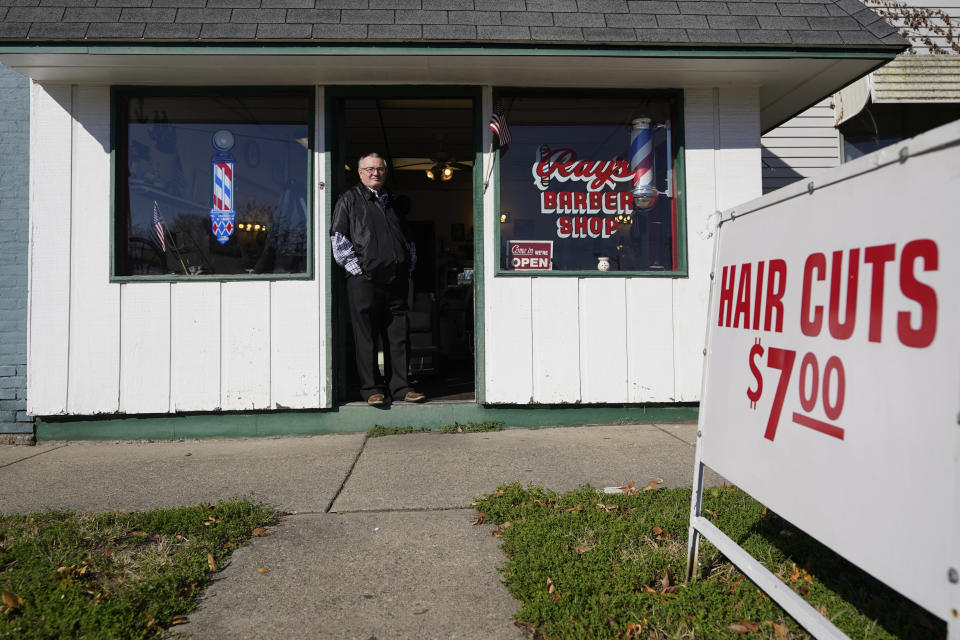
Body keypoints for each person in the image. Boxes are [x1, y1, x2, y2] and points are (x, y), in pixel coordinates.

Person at [330, 152, 426, 406]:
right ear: (360, 173)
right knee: (366, 336)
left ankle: (401, 387)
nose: (376, 173)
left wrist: (408, 264)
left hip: (396, 279)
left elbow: (406, 238)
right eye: (370, 169)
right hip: (365, 280)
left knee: (399, 335)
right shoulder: (348, 200)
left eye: (380, 169)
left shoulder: (392, 201)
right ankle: (372, 389)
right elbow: (339, 238)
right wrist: (356, 269)